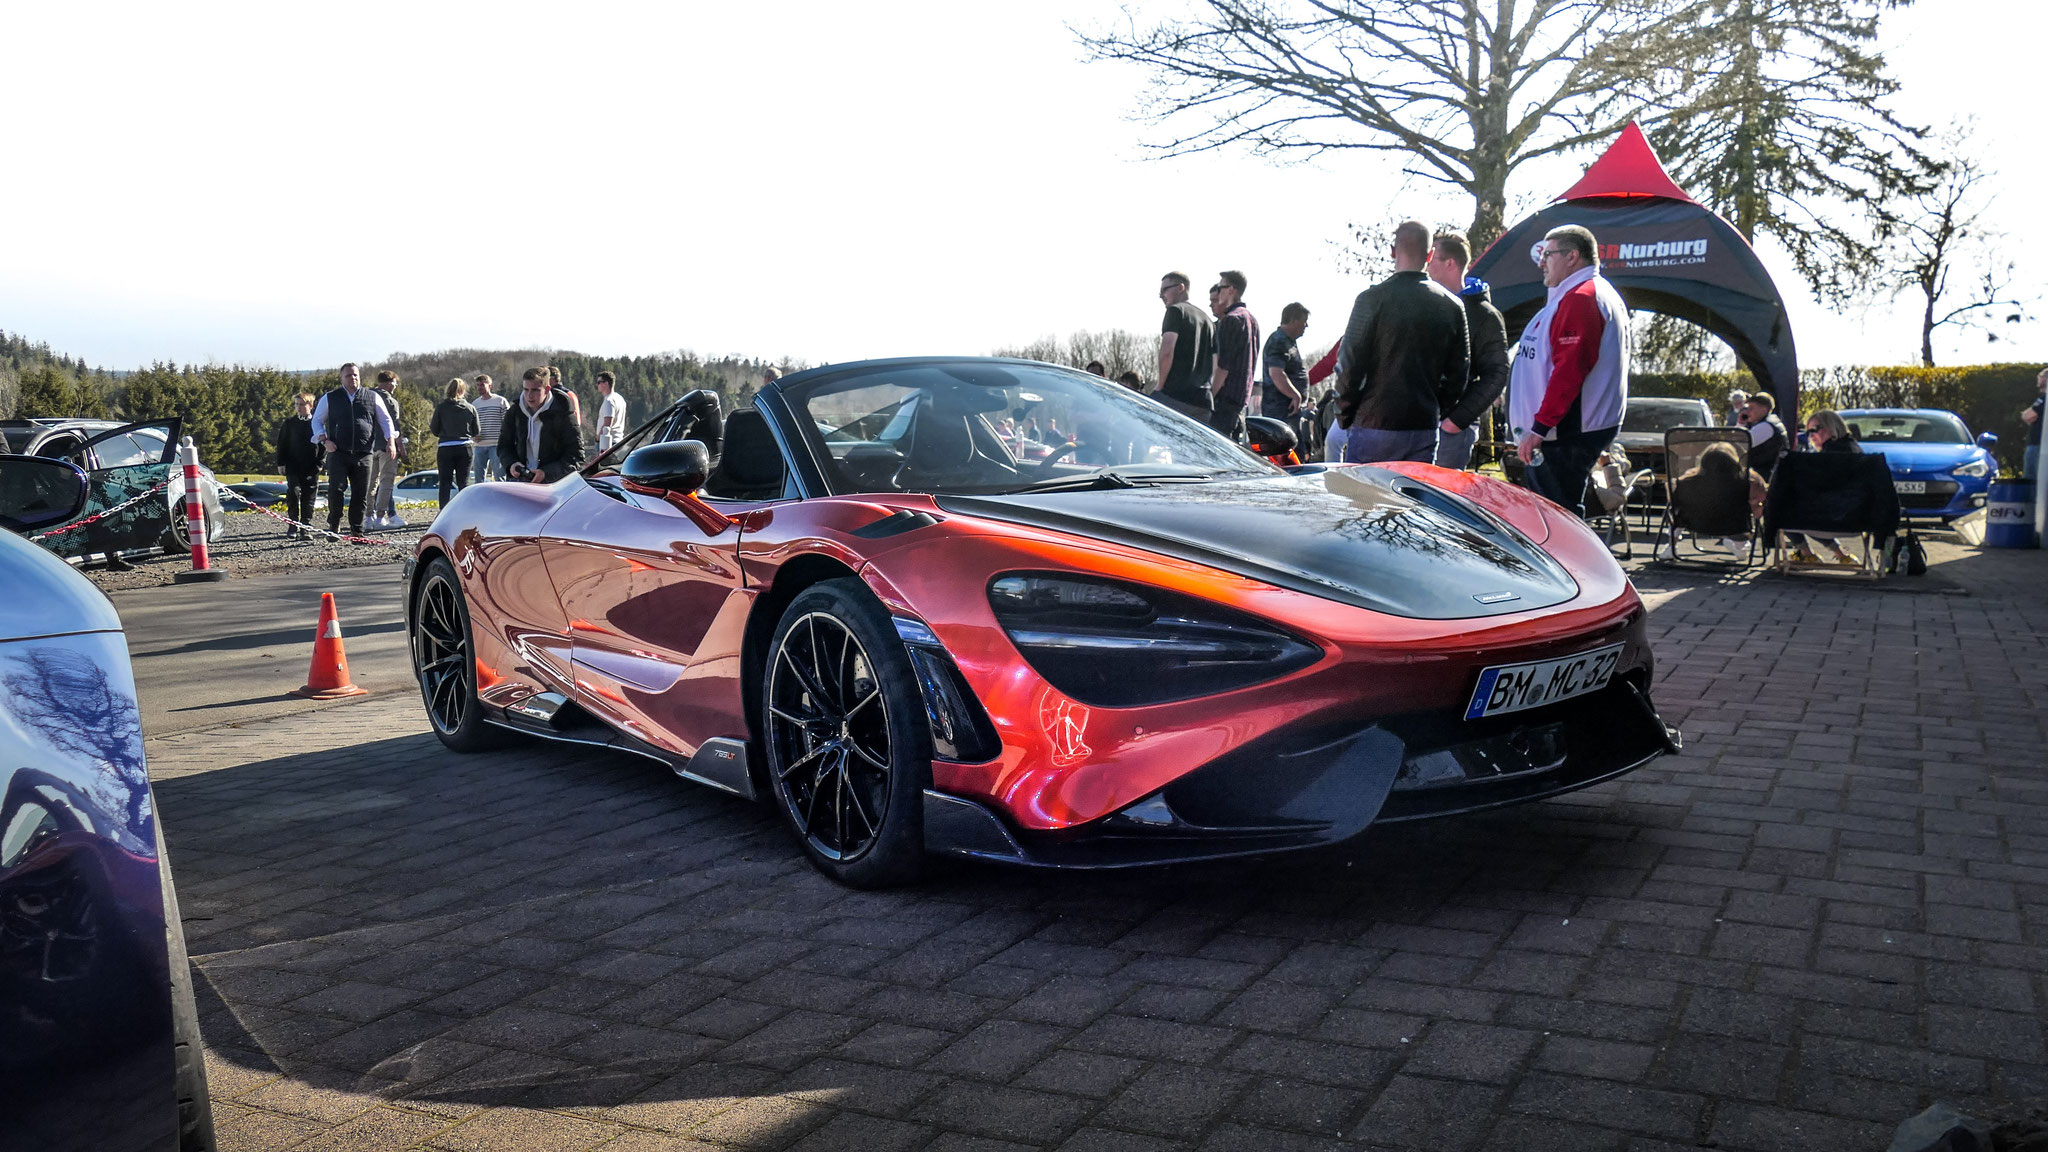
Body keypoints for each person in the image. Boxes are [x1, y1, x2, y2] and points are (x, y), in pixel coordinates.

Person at [1508, 224, 1630, 516]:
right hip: (1562, 432)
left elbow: (1570, 370)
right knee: (1555, 517)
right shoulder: (1580, 293)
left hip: (1564, 434)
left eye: (1548, 254)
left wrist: (1539, 427)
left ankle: (1567, 564)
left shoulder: (1582, 297)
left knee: (1555, 519)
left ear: (1572, 256)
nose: (1541, 262)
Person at [1334, 219, 1470, 464]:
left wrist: (1345, 412)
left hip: (1372, 421)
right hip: (1422, 425)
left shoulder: (1371, 299)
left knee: (1364, 500)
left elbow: (1349, 362)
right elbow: (1459, 373)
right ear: (1429, 255)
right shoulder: (1452, 306)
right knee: (1411, 500)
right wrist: (1437, 408)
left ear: (1393, 251)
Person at [1425, 229, 1509, 470]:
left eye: (1432, 260)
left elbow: (1497, 372)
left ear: (1450, 263)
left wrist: (1456, 421)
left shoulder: (1484, 314)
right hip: (1415, 427)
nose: (1427, 267)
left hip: (1451, 433)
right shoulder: (1425, 303)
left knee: (1439, 502)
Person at [310, 362, 397, 539]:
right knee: (337, 490)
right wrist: (324, 439)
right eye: (349, 375)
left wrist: (391, 441)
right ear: (341, 378)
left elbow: (386, 420)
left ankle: (357, 530)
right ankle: (334, 526)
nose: (353, 378)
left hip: (364, 453)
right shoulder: (330, 397)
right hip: (338, 452)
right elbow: (317, 421)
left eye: (356, 375)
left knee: (360, 493)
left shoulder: (372, 397)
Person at [1781, 408, 1863, 564]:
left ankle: (1807, 553)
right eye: (1808, 431)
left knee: (1780, 506)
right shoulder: (1853, 447)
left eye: (1814, 430)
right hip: (1859, 518)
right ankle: (1842, 556)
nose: (1810, 435)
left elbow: (1817, 489)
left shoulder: (1831, 455)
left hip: (1836, 518)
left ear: (1831, 428)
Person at [497, 367, 586, 483]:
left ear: (547, 389)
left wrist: (546, 473)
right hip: (521, 481)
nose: (529, 395)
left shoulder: (563, 414)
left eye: (535, 390)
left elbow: (576, 456)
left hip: (554, 484)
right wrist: (511, 464)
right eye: (526, 390)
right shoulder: (515, 412)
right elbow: (504, 445)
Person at [1153, 271, 1215, 422]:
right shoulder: (1208, 321)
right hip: (1203, 402)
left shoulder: (1175, 311)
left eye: (1164, 290)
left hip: (1175, 396)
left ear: (1181, 288)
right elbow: (1217, 364)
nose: (1161, 295)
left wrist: (1160, 387)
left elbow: (1167, 350)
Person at [1207, 270, 1260, 441]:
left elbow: (1223, 368)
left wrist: (1209, 397)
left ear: (1231, 289)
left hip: (1223, 403)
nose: (1218, 292)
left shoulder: (1231, 320)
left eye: (1221, 288)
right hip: (1240, 404)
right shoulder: (1252, 320)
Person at [274, 392, 323, 539]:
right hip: (293, 465)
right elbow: (282, 444)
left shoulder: (317, 423)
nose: (299, 408)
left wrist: (320, 463)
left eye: (302, 404)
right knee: (293, 493)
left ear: (310, 406)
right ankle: (293, 524)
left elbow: (323, 445)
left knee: (309, 497)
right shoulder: (289, 423)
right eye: (296, 405)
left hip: (311, 466)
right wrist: (280, 463)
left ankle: (305, 526)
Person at [1261, 303, 1310, 438]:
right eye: (1304, 321)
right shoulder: (1279, 341)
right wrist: (1295, 395)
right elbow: (1276, 373)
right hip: (1281, 410)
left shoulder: (1288, 342)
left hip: (1287, 411)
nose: (1306, 326)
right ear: (1294, 320)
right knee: (1285, 452)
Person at [430, 378, 481, 507]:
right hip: (465, 447)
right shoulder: (470, 408)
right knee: (463, 483)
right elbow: (477, 430)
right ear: (463, 391)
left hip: (446, 447)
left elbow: (434, 429)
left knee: (445, 482)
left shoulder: (441, 408)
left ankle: (443, 511)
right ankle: (465, 511)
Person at [364, 369, 404, 529]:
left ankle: (368, 516)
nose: (395, 386)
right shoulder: (390, 401)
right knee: (386, 482)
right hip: (387, 445)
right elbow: (395, 426)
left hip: (369, 446)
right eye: (394, 383)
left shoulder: (366, 396)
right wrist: (400, 446)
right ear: (388, 383)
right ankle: (381, 516)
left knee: (370, 483)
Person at [1738, 391, 1790, 479]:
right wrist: (1741, 424)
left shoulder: (1766, 426)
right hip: (1769, 474)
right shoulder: (1770, 422)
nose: (1747, 411)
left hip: (1765, 476)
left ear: (1763, 409)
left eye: (1751, 408)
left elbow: (1740, 444)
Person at [470, 374, 508, 482]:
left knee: (499, 476)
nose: (479, 387)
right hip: (480, 445)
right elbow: (471, 424)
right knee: (478, 479)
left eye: (482, 385)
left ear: (490, 385)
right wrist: (474, 436)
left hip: (496, 444)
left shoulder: (500, 401)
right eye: (477, 385)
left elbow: (508, 423)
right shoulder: (475, 404)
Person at [594, 370, 628, 455]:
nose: (597, 385)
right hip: (618, 441)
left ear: (606, 383)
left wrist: (597, 439)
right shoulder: (620, 398)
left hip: (607, 443)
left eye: (599, 382)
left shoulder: (609, 401)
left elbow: (607, 424)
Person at [2021, 367, 2045, 480]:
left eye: (2040, 377)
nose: (2038, 381)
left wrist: (2024, 414)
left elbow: (2029, 416)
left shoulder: (2043, 399)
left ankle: (2031, 498)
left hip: (2037, 444)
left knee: (2031, 478)